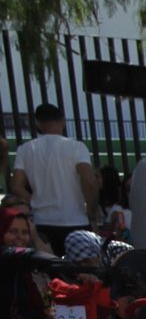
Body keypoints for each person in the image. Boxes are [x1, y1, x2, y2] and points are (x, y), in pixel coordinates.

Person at [8, 103, 98, 254]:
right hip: (76, 221)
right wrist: (91, 211)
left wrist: (35, 200)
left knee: (47, 266)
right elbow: (90, 182)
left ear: (37, 123)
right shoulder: (77, 147)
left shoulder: (25, 149)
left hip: (42, 222)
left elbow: (16, 185)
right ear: (63, 121)